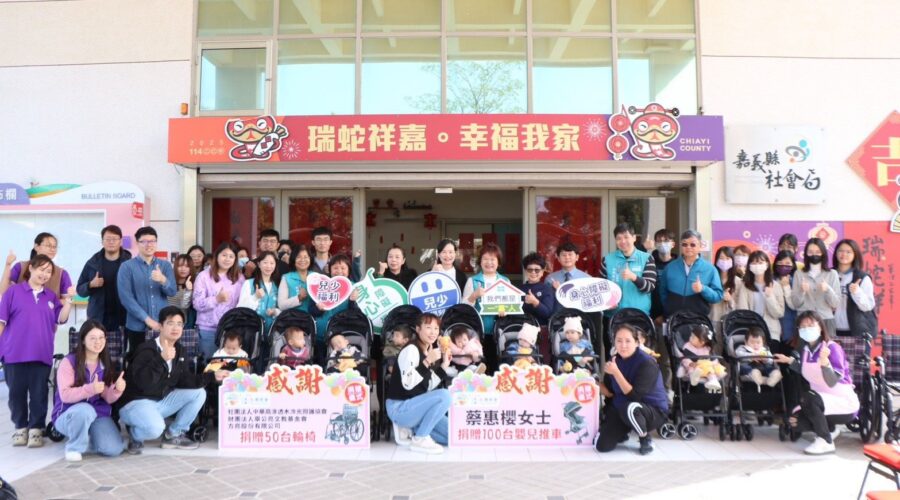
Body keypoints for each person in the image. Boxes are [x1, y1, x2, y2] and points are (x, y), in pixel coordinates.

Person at [117, 306, 229, 454]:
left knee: (199, 393)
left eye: (179, 324)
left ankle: (173, 434)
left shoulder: (180, 350)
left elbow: (184, 380)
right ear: (160, 326)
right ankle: (135, 434)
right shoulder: (146, 349)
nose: (175, 328)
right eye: (170, 323)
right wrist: (161, 359)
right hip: (136, 403)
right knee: (156, 428)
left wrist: (212, 376)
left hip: (160, 401)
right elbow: (142, 383)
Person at [0, 255, 75, 447]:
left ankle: (36, 429)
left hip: (41, 353)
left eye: (48, 271)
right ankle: (20, 427)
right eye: (41, 269)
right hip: (13, 353)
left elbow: (61, 318)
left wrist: (68, 301)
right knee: (16, 393)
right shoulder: (13, 292)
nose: (45, 274)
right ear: (31, 269)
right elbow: (1, 321)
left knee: (39, 393)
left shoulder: (50, 296)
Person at [774, 311, 858, 455]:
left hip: (843, 403)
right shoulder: (806, 350)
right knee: (795, 421)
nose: (807, 329)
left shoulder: (832, 348)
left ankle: (825, 441)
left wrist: (825, 363)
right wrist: (788, 360)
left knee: (808, 397)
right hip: (821, 403)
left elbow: (832, 381)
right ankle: (830, 430)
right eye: (803, 327)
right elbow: (806, 370)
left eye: (810, 325)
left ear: (820, 327)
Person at [51, 320, 126, 461]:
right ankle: (74, 448)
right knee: (85, 410)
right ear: (83, 340)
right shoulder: (69, 362)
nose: (98, 342)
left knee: (113, 449)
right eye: (92, 338)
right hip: (68, 414)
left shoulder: (105, 363)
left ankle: (87, 436)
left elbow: (107, 397)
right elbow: (65, 395)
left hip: (97, 414)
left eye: (101, 337)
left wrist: (117, 389)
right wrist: (90, 389)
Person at [596, 324, 669, 455]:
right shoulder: (614, 360)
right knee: (603, 446)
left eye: (628, 341)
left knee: (629, 408)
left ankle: (645, 438)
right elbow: (610, 393)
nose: (623, 345)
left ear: (637, 342)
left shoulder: (647, 362)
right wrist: (594, 382)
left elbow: (634, 396)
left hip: (651, 411)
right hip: (623, 408)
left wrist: (616, 372)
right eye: (619, 341)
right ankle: (623, 432)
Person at [385, 313, 451, 454]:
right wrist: (427, 361)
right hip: (399, 407)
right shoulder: (411, 349)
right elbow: (408, 383)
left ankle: (417, 431)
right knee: (445, 395)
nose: (433, 332)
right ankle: (420, 439)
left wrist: (445, 364)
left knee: (453, 436)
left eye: (436, 328)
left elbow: (427, 386)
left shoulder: (427, 350)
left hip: (416, 407)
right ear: (418, 329)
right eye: (428, 328)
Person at [117, 226, 177, 359]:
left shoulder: (165, 266)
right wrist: (148, 320)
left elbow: (172, 292)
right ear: (137, 243)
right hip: (137, 327)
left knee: (163, 360)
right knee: (139, 362)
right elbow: (126, 298)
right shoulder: (126, 267)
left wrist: (163, 280)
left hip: (162, 325)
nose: (149, 245)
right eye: (144, 241)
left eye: (152, 241)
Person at [192, 242, 245, 359]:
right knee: (210, 365)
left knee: (231, 365)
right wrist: (216, 299)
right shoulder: (203, 276)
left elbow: (242, 304)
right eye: (224, 255)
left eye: (231, 256)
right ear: (216, 256)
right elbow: (197, 304)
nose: (227, 259)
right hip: (208, 329)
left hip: (231, 331)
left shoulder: (239, 278)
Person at [76, 225, 132, 335]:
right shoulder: (92, 263)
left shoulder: (129, 263)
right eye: (108, 239)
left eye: (114, 239)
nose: (111, 242)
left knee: (123, 346)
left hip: (124, 317)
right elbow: (80, 290)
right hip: (98, 317)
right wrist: (91, 284)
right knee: (97, 345)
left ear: (121, 241)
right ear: (102, 241)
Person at [464, 243, 510, 367]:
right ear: (480, 261)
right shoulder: (472, 281)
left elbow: (511, 305)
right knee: (478, 364)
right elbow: (464, 308)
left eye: (492, 259)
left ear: (498, 262)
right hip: (477, 331)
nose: (489, 262)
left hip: (499, 331)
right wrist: (474, 295)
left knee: (497, 364)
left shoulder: (505, 281)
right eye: (485, 259)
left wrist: (505, 310)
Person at [659, 229, 724, 318]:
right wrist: (668, 308)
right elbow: (663, 292)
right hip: (672, 319)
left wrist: (703, 289)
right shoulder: (670, 267)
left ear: (700, 246)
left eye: (693, 244)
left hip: (698, 320)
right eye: (684, 244)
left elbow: (718, 296)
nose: (688, 247)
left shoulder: (710, 269)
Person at [599, 223, 657, 315]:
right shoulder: (607, 260)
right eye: (619, 238)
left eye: (626, 237)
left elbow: (649, 287)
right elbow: (600, 288)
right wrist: (607, 301)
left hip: (639, 314)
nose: (623, 241)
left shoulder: (646, 258)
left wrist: (634, 277)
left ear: (634, 238)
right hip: (613, 315)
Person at [312, 254, 360, 357]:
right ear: (329, 270)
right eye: (335, 268)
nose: (339, 271)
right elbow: (311, 310)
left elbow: (356, 315)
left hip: (343, 335)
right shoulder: (321, 285)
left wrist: (352, 301)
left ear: (349, 270)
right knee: (320, 361)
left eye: (343, 268)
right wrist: (319, 309)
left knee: (340, 362)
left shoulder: (354, 288)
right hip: (321, 333)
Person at [791, 238, 840, 338]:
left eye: (818, 252)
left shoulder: (832, 274)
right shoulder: (798, 274)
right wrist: (801, 291)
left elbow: (835, 303)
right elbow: (795, 303)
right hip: (804, 322)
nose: (814, 255)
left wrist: (827, 290)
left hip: (826, 320)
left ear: (823, 253)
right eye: (810, 252)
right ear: (806, 254)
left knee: (827, 348)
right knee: (804, 348)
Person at [1, 232, 73, 298]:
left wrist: (45, 303)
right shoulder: (20, 267)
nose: (52, 249)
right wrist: (8, 265)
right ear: (36, 247)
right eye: (48, 246)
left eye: (54, 247)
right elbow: (3, 292)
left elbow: (68, 300)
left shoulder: (62, 273)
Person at [735, 250, 786, 344]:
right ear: (749, 266)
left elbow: (779, 313)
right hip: (751, 335)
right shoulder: (745, 286)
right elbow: (743, 312)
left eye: (760, 262)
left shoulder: (775, 286)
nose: (757, 265)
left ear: (767, 264)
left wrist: (770, 297)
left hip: (771, 332)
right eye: (754, 263)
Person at [831, 239, 877, 337]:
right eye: (841, 251)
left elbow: (868, 306)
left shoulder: (862, 277)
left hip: (856, 331)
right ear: (836, 253)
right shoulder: (829, 274)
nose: (844, 254)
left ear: (855, 254)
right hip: (831, 329)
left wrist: (857, 292)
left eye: (848, 252)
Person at [521, 252, 555, 362]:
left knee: (541, 363)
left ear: (542, 271)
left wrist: (535, 302)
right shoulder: (519, 289)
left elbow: (547, 313)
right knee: (522, 362)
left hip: (541, 332)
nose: (533, 272)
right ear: (525, 271)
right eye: (530, 269)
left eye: (537, 270)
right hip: (522, 332)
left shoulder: (547, 289)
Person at [237, 251, 280, 332]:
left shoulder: (277, 286)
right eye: (265, 263)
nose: (268, 266)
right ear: (259, 264)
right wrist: (255, 297)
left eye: (272, 263)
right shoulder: (249, 283)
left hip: (272, 331)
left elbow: (281, 309)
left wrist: (275, 311)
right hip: (253, 331)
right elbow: (240, 309)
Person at [677, 324, 726, 391]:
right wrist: (690, 363)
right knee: (692, 369)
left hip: (706, 368)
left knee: (711, 371)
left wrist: (713, 364)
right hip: (694, 367)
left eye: (693, 337)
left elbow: (713, 359)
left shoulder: (707, 348)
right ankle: (694, 378)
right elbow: (684, 358)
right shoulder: (687, 346)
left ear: (702, 342)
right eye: (691, 336)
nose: (690, 338)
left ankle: (713, 381)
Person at [649, 229, 677, 325]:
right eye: (659, 241)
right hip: (652, 314)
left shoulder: (678, 265)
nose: (662, 243)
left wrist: (665, 315)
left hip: (672, 315)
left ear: (673, 244)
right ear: (655, 244)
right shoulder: (649, 262)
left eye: (666, 241)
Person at [278, 244, 314, 313]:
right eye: (298, 257)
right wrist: (299, 298)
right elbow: (281, 305)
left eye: (306, 257)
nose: (302, 260)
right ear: (293, 259)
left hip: (315, 319)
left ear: (310, 259)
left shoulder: (316, 276)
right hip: (294, 318)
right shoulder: (286, 278)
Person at [774, 250, 799, 348]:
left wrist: (786, 287)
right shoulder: (770, 281)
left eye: (787, 263)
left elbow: (794, 306)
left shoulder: (796, 281)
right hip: (773, 328)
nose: (783, 266)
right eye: (780, 263)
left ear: (793, 265)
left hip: (790, 329)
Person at [709, 245, 736, 327]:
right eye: (721, 258)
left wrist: (730, 299)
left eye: (727, 258)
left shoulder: (738, 281)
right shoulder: (710, 279)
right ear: (716, 260)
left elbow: (741, 306)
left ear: (732, 260)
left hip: (730, 322)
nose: (724, 261)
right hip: (712, 319)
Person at [168, 254, 195, 328]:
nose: (183, 269)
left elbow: (184, 306)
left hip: (182, 324)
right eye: (180, 266)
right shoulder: (169, 283)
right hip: (166, 322)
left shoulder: (194, 284)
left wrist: (188, 290)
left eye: (187, 266)